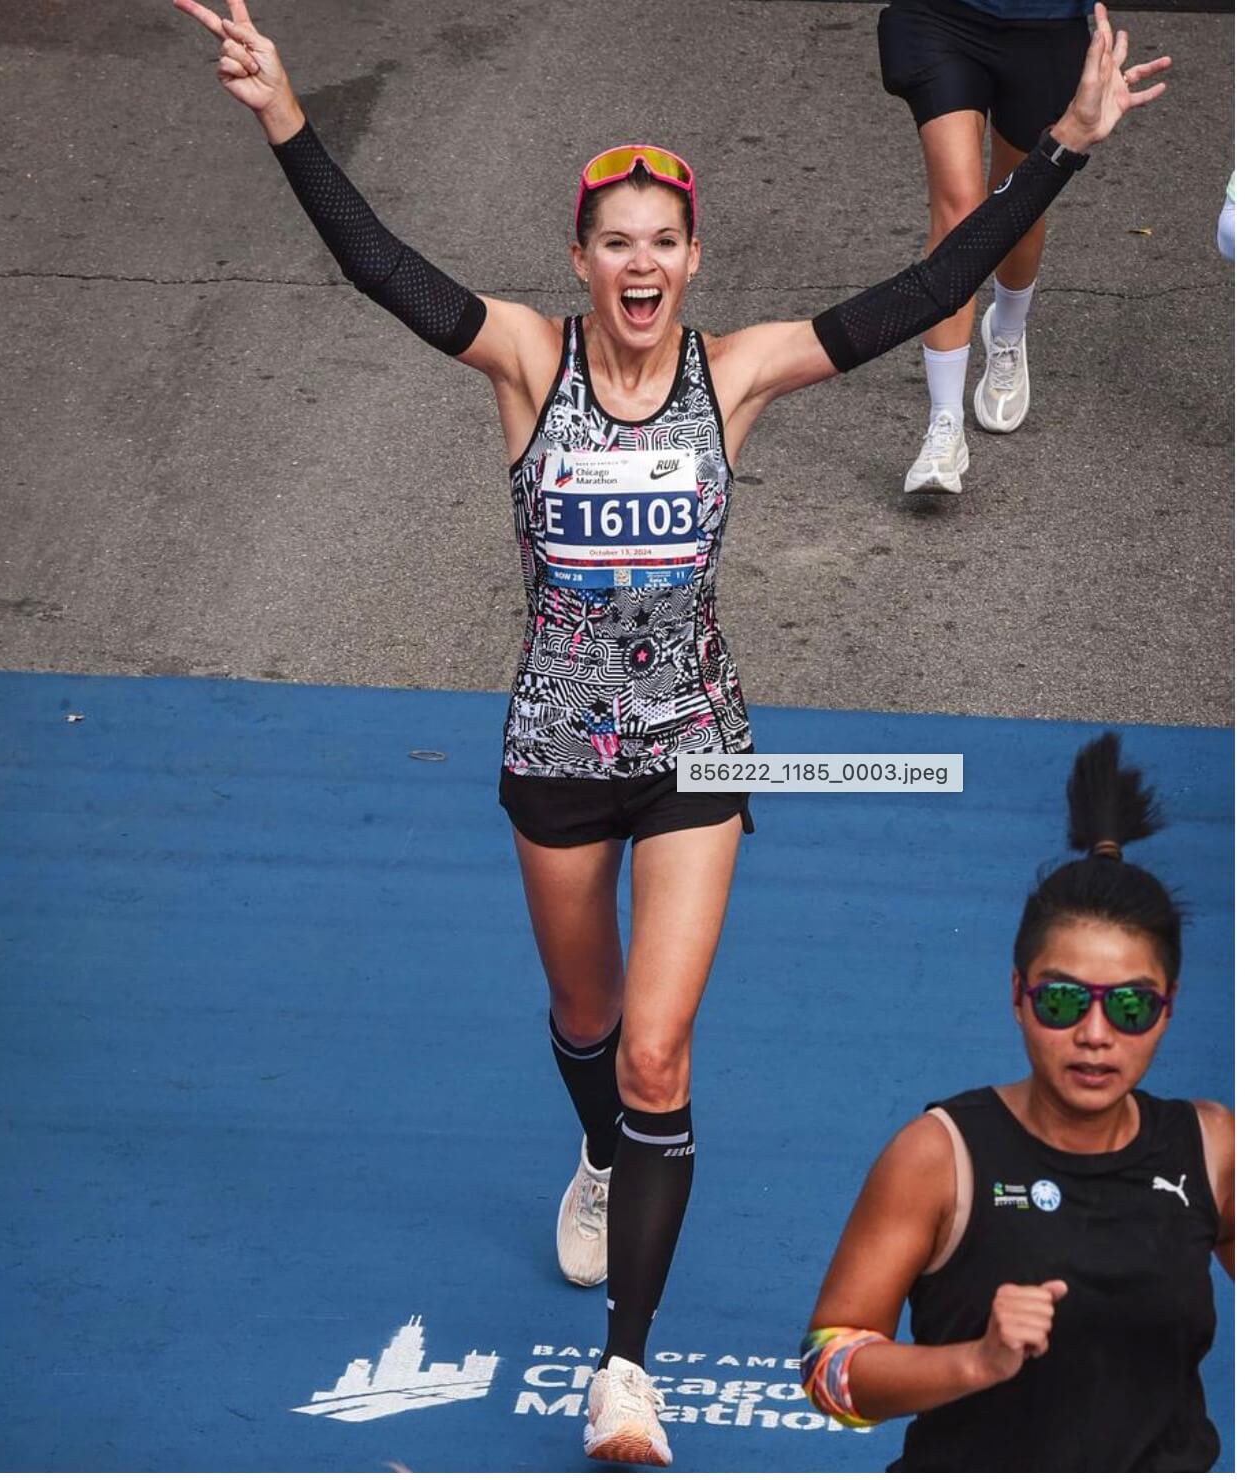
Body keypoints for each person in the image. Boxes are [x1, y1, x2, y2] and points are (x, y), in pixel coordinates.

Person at [170, 1, 1167, 1463]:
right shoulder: (526, 360)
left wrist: (1064, 150)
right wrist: (282, 113)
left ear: (693, 259)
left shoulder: (737, 372)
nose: (640, 264)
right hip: (555, 757)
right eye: (615, 242)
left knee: (655, 1055)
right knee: (585, 1030)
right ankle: (596, 1154)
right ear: (581, 259)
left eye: (663, 241)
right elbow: (378, 264)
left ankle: (621, 1373)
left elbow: (928, 284)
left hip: (700, 750)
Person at [799, 732, 1233, 1470]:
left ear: (1168, 1009)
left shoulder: (1214, 1148)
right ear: (1018, 997)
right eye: (1063, 1001)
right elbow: (826, 1370)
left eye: (1130, 1007)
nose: (1094, 1035)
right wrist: (977, 1360)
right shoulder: (940, 1157)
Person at [877, 0, 1095, 492]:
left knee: (1019, 201)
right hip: (942, 16)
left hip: (1046, 23)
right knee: (958, 209)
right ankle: (944, 427)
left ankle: (1007, 333)